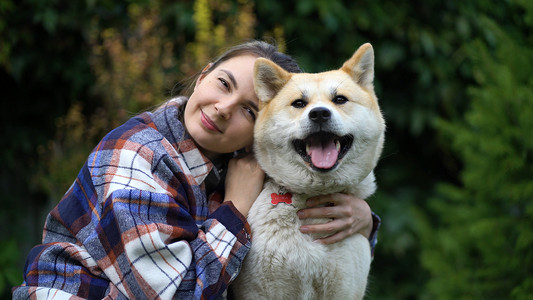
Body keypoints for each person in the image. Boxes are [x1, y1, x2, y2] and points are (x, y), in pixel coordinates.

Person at [13, 40, 380, 299]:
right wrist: (234, 210)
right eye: (223, 84)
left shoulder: (244, 163)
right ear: (203, 74)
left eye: (249, 110)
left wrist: (364, 221)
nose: (223, 108)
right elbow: (173, 293)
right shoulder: (135, 155)